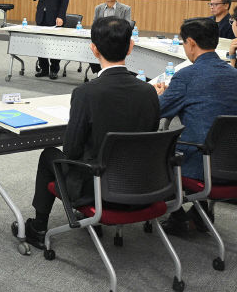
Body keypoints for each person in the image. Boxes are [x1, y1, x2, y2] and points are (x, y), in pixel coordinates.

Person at [24, 17, 159, 249]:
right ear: (131, 47)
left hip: (98, 188)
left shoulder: (86, 93)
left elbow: (71, 150)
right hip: (143, 184)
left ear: (93, 49)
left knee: (50, 155)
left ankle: (38, 227)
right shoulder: (149, 92)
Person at [155, 17, 237, 235]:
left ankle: (178, 218)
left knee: (154, 153)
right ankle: (198, 214)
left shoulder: (187, 75)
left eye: (184, 43)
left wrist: (160, 95)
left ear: (191, 43)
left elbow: (157, 111)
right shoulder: (235, 74)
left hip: (203, 163)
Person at [32, 0, 71, 79]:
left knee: (55, 44)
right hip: (41, 16)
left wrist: (60, 16)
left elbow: (65, 1)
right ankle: (44, 68)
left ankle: (54, 69)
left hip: (55, 17)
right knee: (41, 44)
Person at [90, 0, 132, 74]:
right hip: (101, 38)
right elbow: (95, 24)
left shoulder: (125, 9)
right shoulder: (99, 8)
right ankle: (99, 73)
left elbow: (127, 25)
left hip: (116, 38)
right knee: (92, 49)